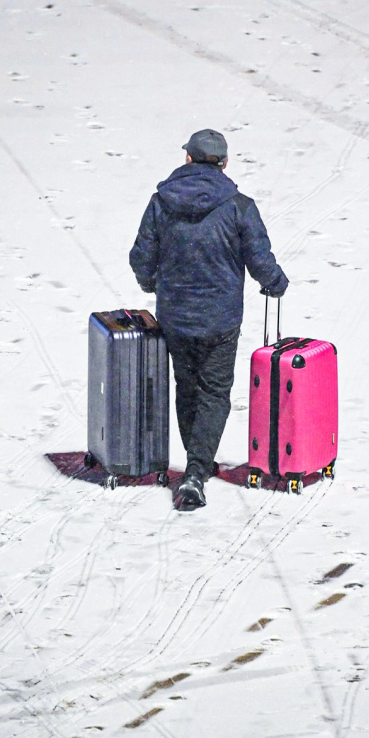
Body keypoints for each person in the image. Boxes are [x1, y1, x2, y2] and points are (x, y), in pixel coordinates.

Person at [129, 129, 289, 511]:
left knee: (186, 387)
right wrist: (276, 283)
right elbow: (259, 259)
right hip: (221, 320)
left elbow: (141, 256)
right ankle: (197, 472)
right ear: (224, 163)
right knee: (214, 393)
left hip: (176, 317)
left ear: (188, 159)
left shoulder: (160, 203)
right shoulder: (239, 206)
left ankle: (197, 464)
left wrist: (150, 283)